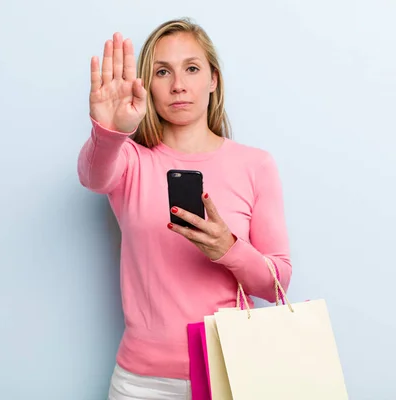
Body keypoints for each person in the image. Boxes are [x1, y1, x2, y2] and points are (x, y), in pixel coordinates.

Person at [77, 17, 292, 400]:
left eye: (191, 68)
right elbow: (92, 177)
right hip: (141, 384)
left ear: (213, 79)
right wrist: (109, 131)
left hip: (232, 373)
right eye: (163, 72)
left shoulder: (255, 165)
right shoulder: (129, 160)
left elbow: (278, 284)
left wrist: (229, 249)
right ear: (148, 85)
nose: (178, 84)